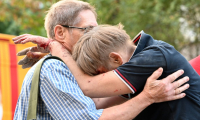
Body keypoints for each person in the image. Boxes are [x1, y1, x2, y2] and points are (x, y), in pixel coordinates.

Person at [13, 0, 189, 120]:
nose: (94, 36)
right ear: (60, 33)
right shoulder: (54, 69)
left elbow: (97, 103)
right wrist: (147, 97)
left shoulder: (65, 67)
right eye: (88, 29)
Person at [48, 24, 198, 120]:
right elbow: (99, 104)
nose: (102, 79)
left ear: (115, 59)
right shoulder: (140, 65)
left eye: (101, 73)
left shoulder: (154, 57)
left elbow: (88, 86)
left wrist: (56, 48)